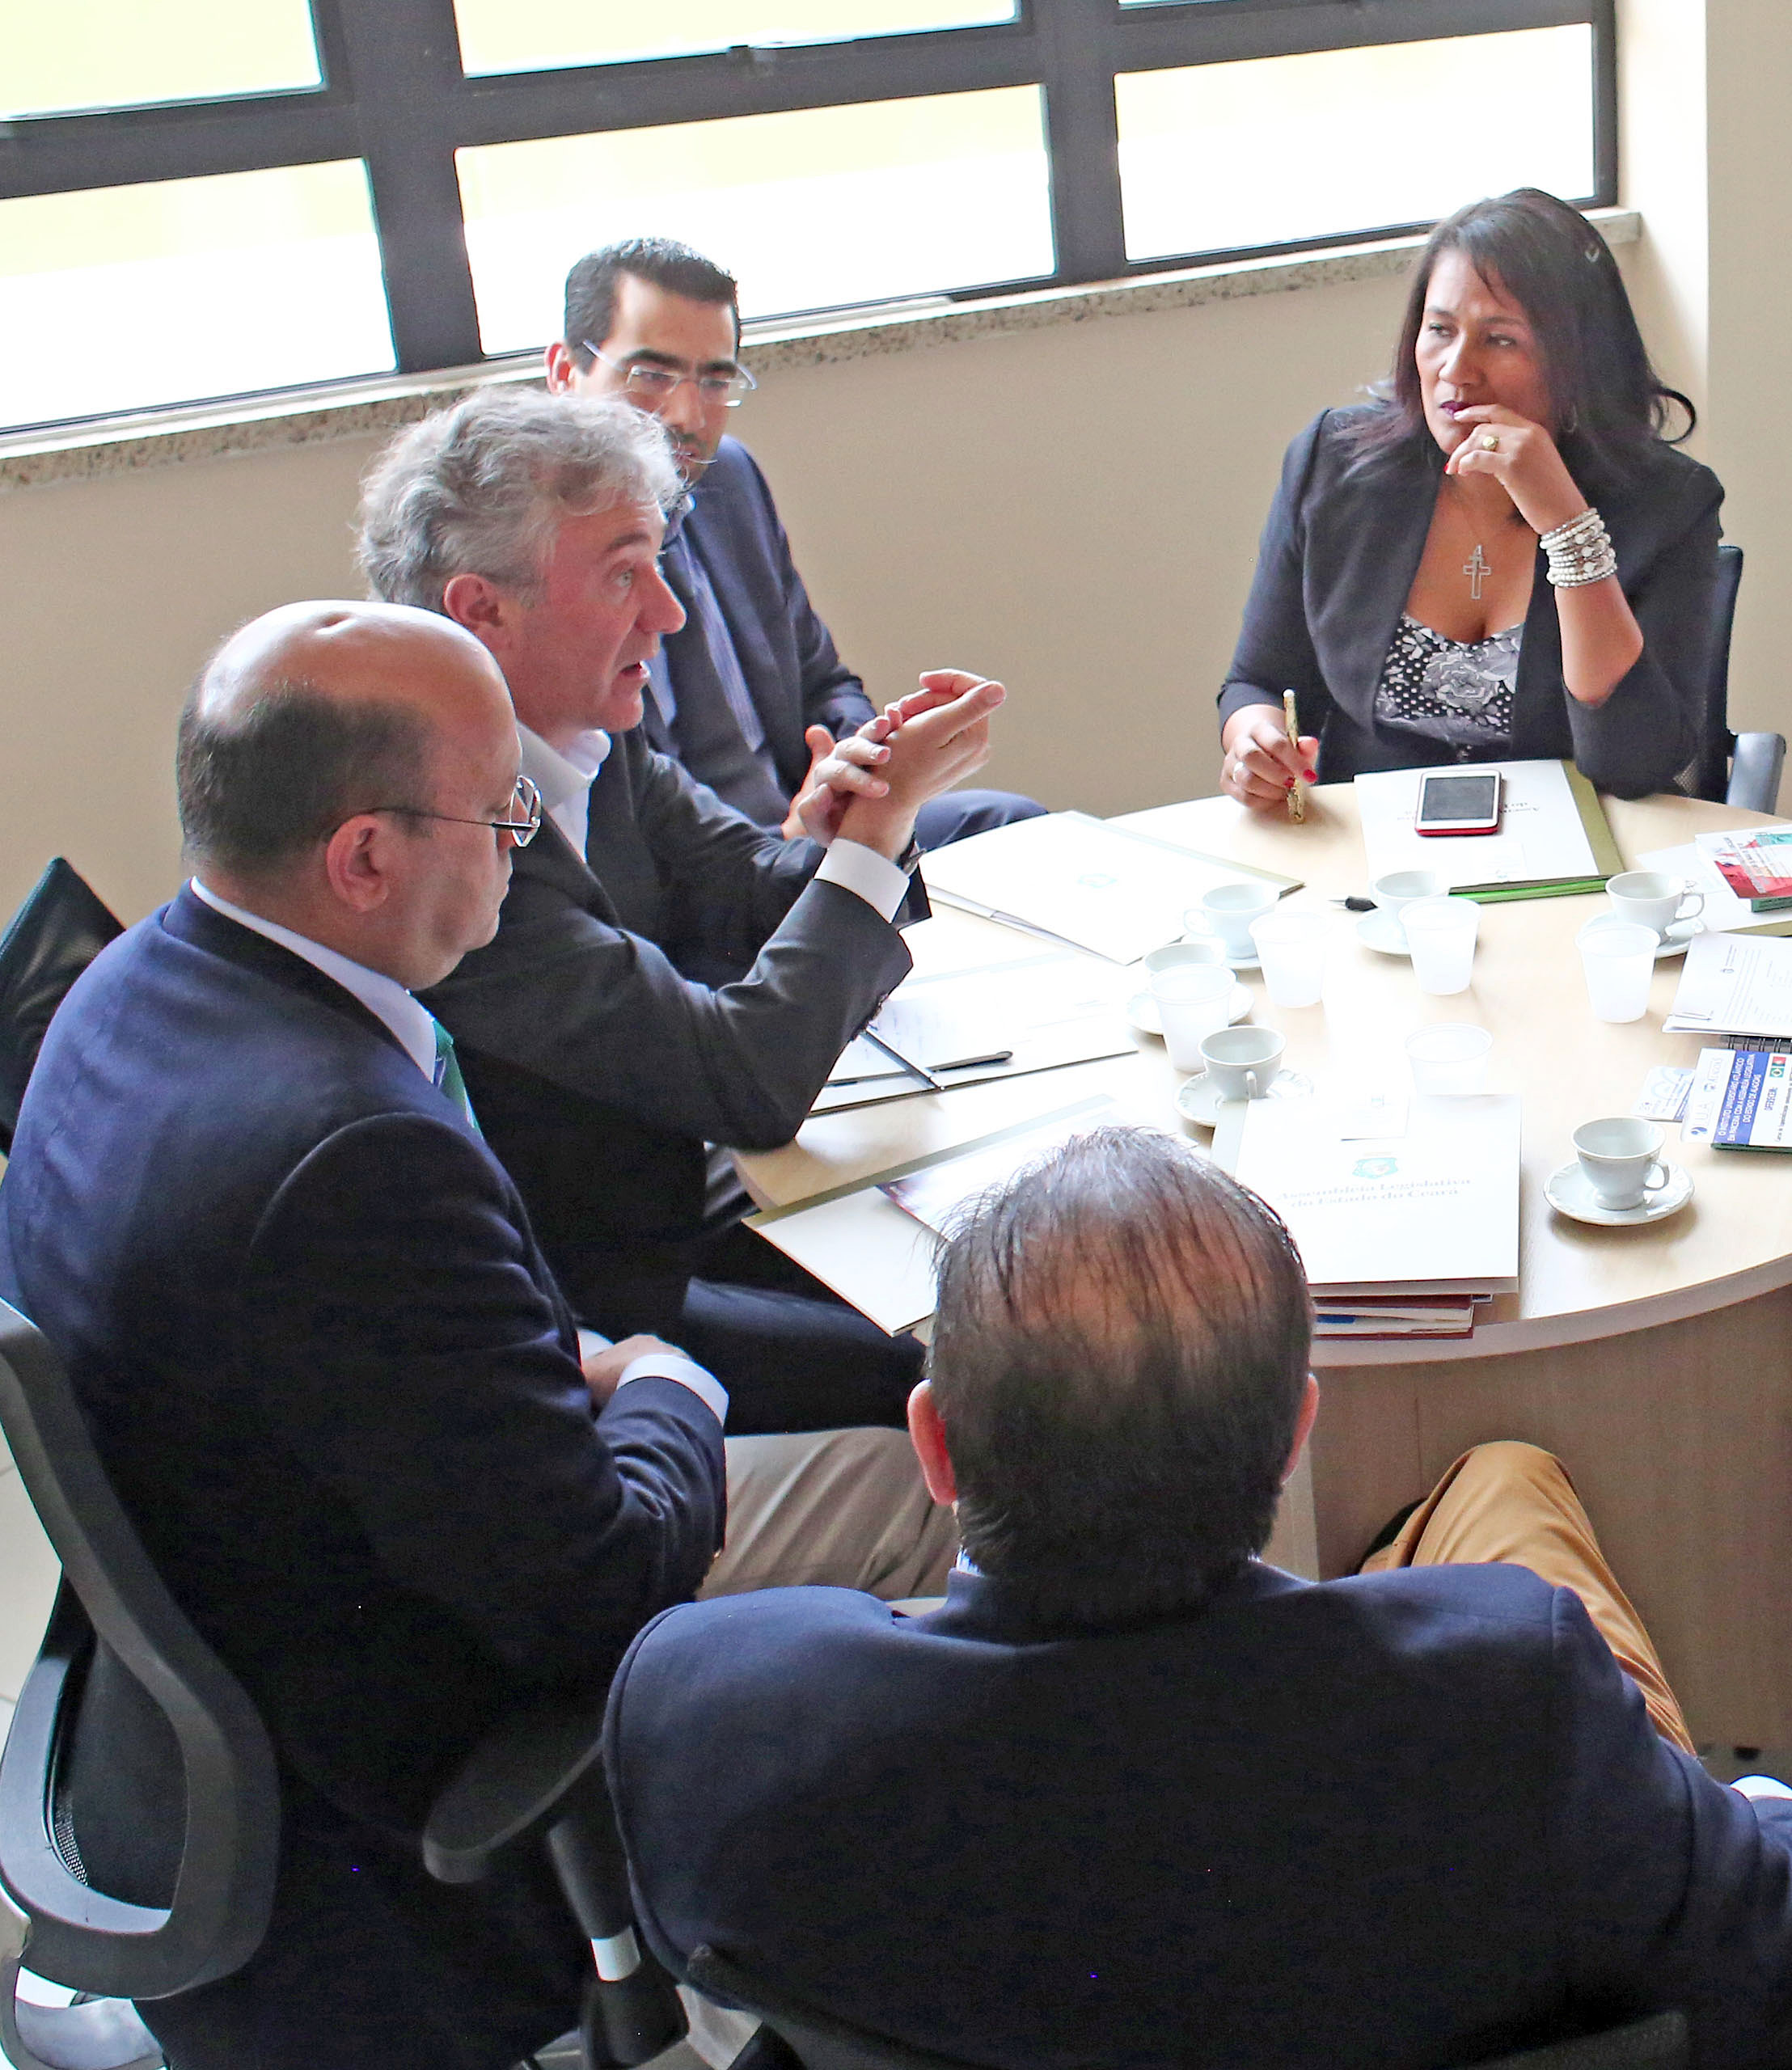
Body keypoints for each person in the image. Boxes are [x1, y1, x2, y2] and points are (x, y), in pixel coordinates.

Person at [0, 602, 954, 2070]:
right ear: (364, 859)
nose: (526, 841)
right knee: (927, 1476)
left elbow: (356, 1357)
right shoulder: (352, 1158)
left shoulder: (122, 988)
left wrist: (557, 1362)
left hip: (238, 1632)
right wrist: (665, 1380)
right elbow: (606, 1583)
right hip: (393, 1740)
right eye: (503, 814)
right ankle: (809, 1986)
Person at [609, 1126, 1792, 2070]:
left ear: (934, 1447)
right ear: (1293, 1439)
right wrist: (1780, 1814)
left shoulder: (710, 1710)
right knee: (1511, 1497)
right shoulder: (1510, 1698)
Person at [362, 387, 1004, 1434]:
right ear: (483, 611)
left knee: (1002, 1260)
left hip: (693, 1192)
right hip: (601, 1302)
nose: (669, 613)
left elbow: (751, 888)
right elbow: (745, 1082)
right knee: (964, 1363)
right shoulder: (450, 845)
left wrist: (859, 819)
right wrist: (877, 833)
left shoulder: (588, 739)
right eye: (625, 575)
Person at [1216, 188, 1722, 804]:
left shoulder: (1669, 503)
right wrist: (1256, 742)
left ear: (1580, 359)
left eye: (1500, 340)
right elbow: (1260, 681)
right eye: (1439, 330)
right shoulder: (1334, 462)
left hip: (1577, 831)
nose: (1456, 369)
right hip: (1374, 833)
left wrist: (1568, 528)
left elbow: (1634, 766)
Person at [548, 235, 1044, 847]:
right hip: (691, 867)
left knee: (1011, 826)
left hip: (804, 827)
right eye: (652, 375)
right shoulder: (536, 539)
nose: (686, 415)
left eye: (714, 380)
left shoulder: (728, 479)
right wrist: (779, 846)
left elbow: (824, 682)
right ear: (565, 374)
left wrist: (851, 768)